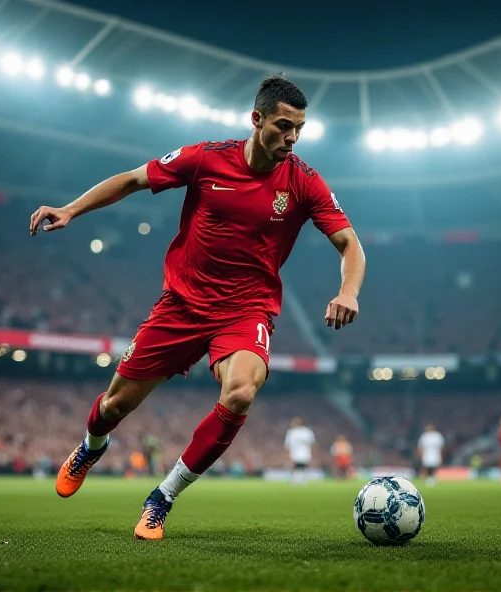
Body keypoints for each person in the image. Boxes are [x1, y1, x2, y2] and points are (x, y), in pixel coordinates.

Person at [29, 75, 365, 540]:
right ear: (257, 119)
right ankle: (91, 446)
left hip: (247, 311)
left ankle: (161, 497)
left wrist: (348, 291)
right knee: (113, 405)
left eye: (299, 129)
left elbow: (351, 244)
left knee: (241, 391)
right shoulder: (207, 158)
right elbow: (131, 180)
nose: (291, 137)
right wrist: (70, 209)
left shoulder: (305, 182)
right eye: (283, 126)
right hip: (181, 306)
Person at [284, 417, 315, 485]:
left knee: (303, 465)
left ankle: (303, 479)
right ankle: (295, 479)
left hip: (304, 452)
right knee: (294, 465)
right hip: (295, 452)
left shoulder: (307, 432)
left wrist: (311, 452)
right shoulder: (291, 432)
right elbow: (288, 444)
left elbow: (311, 443)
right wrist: (288, 453)